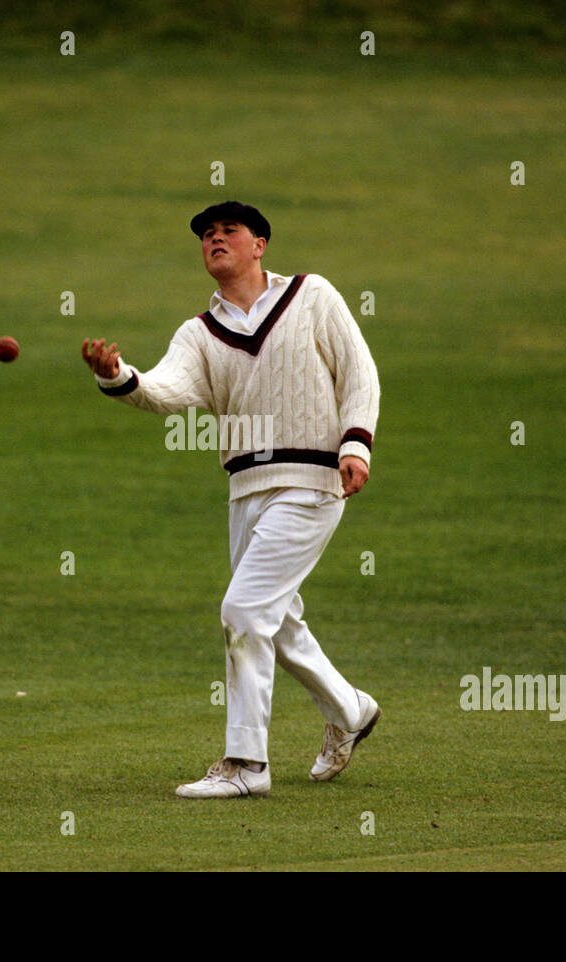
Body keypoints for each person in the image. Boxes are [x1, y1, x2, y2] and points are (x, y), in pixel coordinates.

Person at [80, 201, 381, 798]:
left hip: (312, 482)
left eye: (228, 232)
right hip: (245, 490)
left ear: (259, 244)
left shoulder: (312, 294)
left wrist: (357, 444)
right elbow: (167, 392)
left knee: (244, 612)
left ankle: (247, 764)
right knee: (279, 622)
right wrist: (119, 376)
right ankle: (351, 711)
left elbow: (359, 372)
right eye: (206, 236)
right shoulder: (199, 332)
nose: (215, 240)